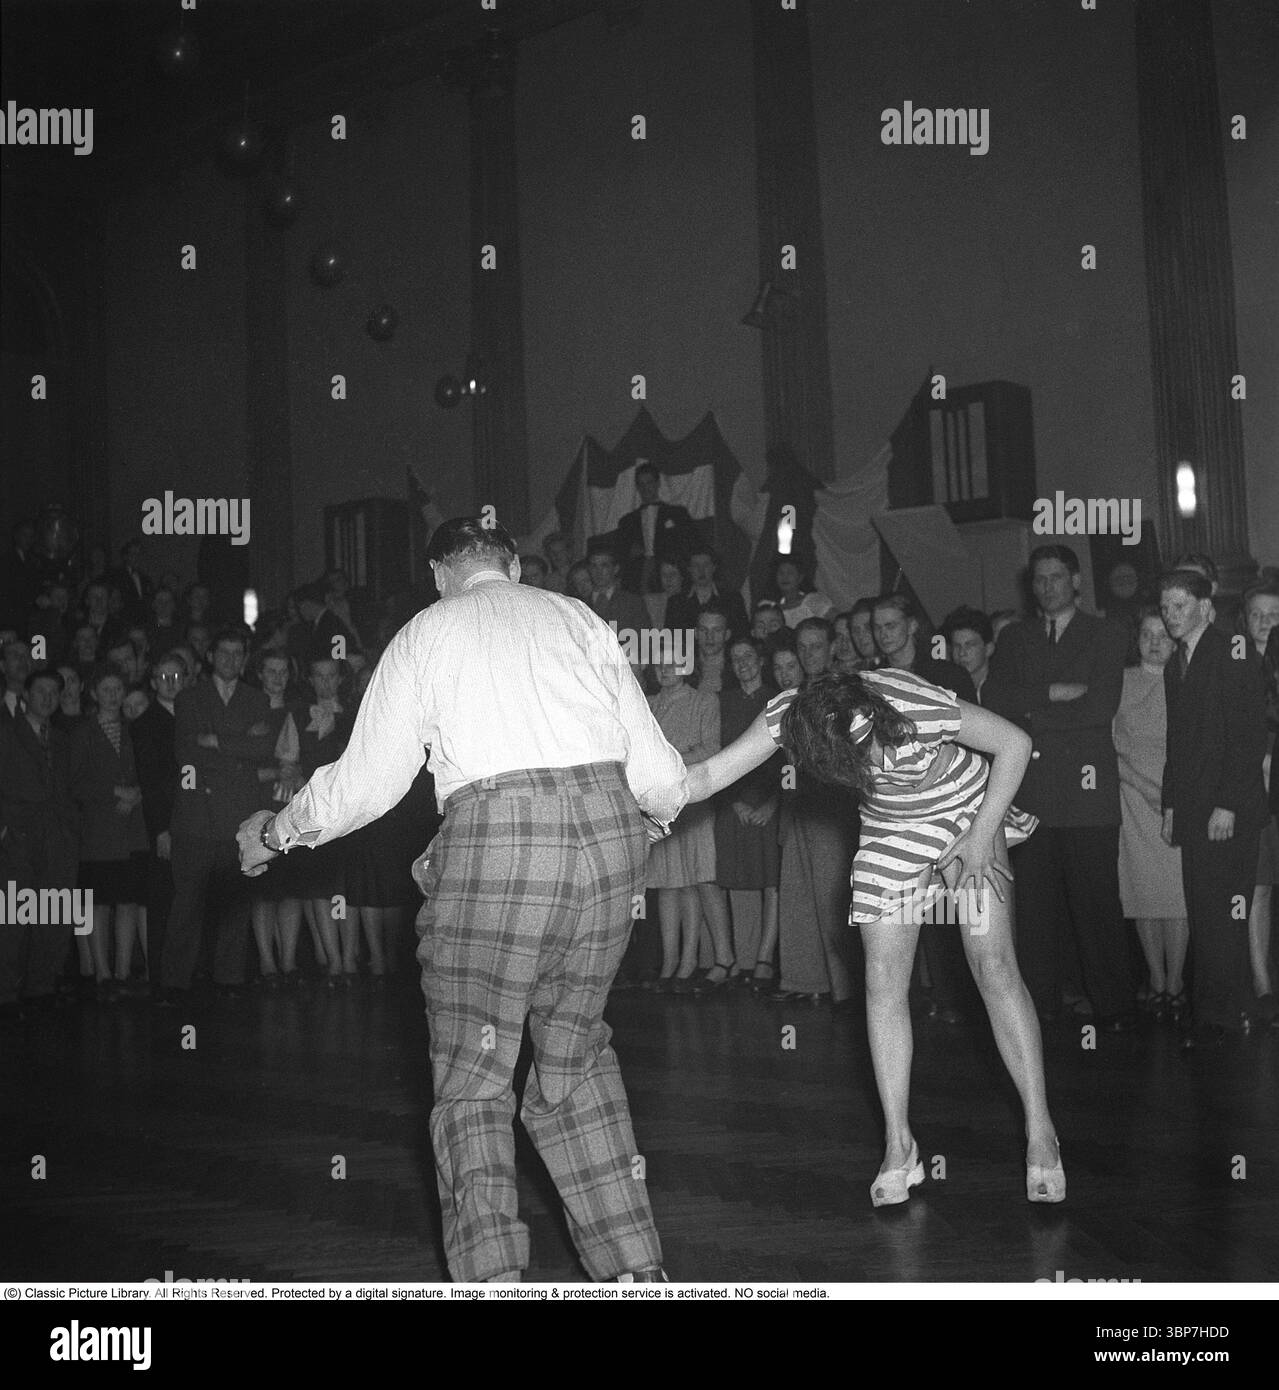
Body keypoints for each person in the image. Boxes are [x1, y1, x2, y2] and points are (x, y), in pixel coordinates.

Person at [236, 517, 687, 1283]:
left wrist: (277, 833)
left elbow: (370, 784)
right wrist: (639, 820)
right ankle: (637, 1273)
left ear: (441, 573)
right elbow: (663, 778)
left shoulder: (427, 630)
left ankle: (494, 1281)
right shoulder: (577, 615)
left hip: (500, 843)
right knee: (573, 1060)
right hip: (609, 845)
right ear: (511, 564)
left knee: (474, 1078)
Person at [682, 666, 1062, 1205]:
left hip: (966, 809)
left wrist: (982, 838)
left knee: (993, 965)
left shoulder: (911, 699)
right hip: (892, 828)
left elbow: (1015, 744)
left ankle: (1041, 1131)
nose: (877, 760)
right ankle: (898, 1145)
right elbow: (703, 779)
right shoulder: (786, 717)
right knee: (883, 978)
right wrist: (633, 784)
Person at [984, 545, 1135, 1028]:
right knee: (1036, 911)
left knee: (1097, 906)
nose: (1047, 586)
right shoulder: (1013, 638)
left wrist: (1029, 717)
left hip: (1088, 797)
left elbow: (1099, 708)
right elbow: (994, 699)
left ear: (1075, 581)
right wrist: (1052, 693)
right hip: (1030, 795)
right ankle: (1040, 1006)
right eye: (1039, 579)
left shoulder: (1107, 633)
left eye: (1056, 577)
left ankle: (1114, 1007)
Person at [1159, 569, 1268, 1047]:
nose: (1170, 616)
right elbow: (1176, 743)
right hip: (1194, 806)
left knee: (1228, 911)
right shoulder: (1175, 662)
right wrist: (1170, 805)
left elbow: (1248, 736)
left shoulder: (1233, 652)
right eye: (1165, 607)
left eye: (1179, 606)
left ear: (1206, 606)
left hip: (1228, 808)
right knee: (1203, 910)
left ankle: (1237, 1009)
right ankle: (1212, 1011)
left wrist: (1227, 803)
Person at [163, 629, 274, 1002]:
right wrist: (240, 747)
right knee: (188, 904)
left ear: (244, 659)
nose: (230, 659)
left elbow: (263, 749)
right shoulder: (190, 698)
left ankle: (229, 979)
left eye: (237, 653)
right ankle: (176, 983)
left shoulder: (256, 699)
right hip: (197, 815)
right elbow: (186, 755)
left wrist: (218, 741)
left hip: (238, 818)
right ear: (210, 656)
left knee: (235, 903)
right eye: (223, 651)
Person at [1113, 608, 1188, 1023]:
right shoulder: (1120, 682)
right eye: (1146, 634)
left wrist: (1174, 794)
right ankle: (1155, 980)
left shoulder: (1186, 681)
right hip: (1133, 798)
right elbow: (1107, 746)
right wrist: (1143, 788)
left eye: (1162, 634)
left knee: (1175, 896)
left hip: (1177, 800)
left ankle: (1175, 983)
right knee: (1142, 893)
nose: (1154, 642)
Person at [645, 641, 731, 993]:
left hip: (694, 799)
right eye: (659, 663)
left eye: (673, 663)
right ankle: (673, 963)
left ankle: (718, 959)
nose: (665, 669)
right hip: (660, 802)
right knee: (668, 883)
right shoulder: (647, 705)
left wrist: (666, 762)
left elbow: (711, 747)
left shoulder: (703, 700)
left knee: (699, 879)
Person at [70, 667, 149, 997]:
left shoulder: (135, 728)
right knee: (99, 903)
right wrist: (116, 793)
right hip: (99, 828)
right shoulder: (82, 731)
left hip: (132, 827)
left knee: (128, 901)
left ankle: (121, 971)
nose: (113, 694)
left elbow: (152, 768)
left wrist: (138, 793)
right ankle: (101, 973)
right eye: (106, 688)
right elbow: (74, 781)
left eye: (118, 688)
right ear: (93, 693)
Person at [712, 638, 782, 989]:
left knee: (771, 881)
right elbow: (716, 752)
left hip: (771, 800)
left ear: (761, 660)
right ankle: (739, 958)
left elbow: (788, 758)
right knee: (732, 879)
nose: (742, 663)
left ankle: (765, 958)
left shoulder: (776, 698)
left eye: (748, 656)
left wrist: (773, 803)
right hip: (731, 799)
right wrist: (732, 801)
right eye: (735, 658)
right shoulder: (723, 701)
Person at [1242, 581, 1279, 1022]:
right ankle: (1262, 983)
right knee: (1259, 887)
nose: (1267, 621)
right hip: (1255, 793)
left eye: (1275, 613)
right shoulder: (1235, 663)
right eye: (1258, 613)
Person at [615, 462, 697, 594]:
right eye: (641, 484)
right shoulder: (627, 522)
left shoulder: (677, 514)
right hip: (638, 575)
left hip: (669, 572)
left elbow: (689, 545)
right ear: (637, 487)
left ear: (658, 483)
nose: (645, 488)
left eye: (649, 482)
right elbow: (620, 554)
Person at [665, 547, 748, 640]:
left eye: (706, 565)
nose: (701, 570)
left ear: (714, 567)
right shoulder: (676, 602)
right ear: (689, 569)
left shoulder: (733, 599)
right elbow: (670, 641)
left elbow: (742, 636)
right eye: (696, 565)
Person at [942, 607, 996, 705]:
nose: (962, 653)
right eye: (957, 646)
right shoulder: (946, 690)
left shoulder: (1004, 691)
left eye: (970, 645)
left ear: (988, 649)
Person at [774, 558, 833, 627]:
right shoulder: (773, 609)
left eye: (790, 573)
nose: (785, 577)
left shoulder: (813, 601)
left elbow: (837, 621)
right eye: (781, 573)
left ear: (800, 577)